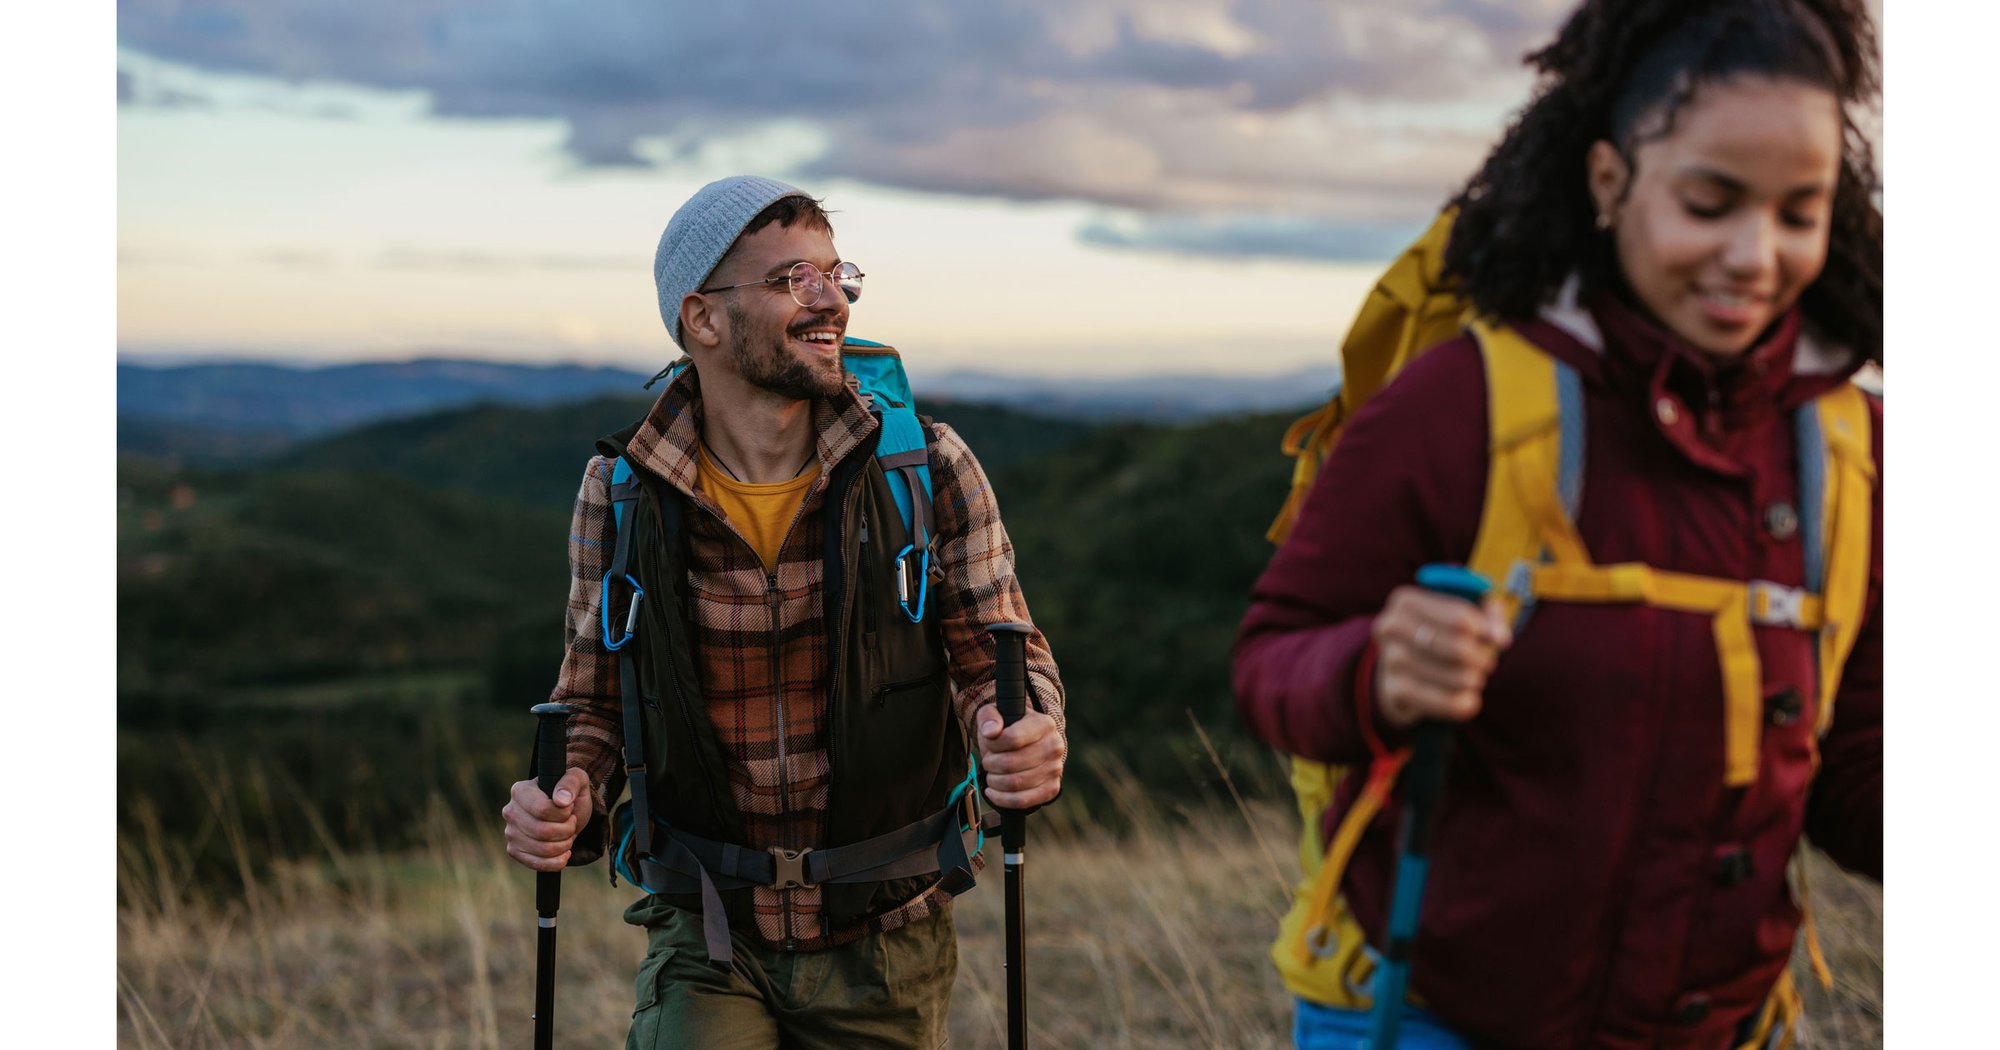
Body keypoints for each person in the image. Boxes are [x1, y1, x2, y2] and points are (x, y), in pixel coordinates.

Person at [1233, 1, 1881, 1047]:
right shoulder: (1461, 405)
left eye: (1796, 213)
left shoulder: (1848, 450)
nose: (1753, 256)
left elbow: (1849, 760)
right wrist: (1373, 670)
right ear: (1608, 182)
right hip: (1428, 1016)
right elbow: (1272, 659)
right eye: (1708, 203)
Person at [500, 175, 1068, 1049]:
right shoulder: (621, 494)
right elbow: (594, 698)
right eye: (790, 279)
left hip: (890, 931)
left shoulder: (924, 468)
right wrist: (568, 792)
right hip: (708, 929)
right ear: (703, 320)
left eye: (837, 275)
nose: (830, 298)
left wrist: (1024, 727)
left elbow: (1000, 654)